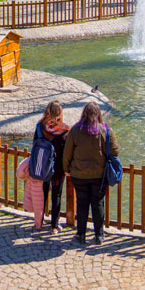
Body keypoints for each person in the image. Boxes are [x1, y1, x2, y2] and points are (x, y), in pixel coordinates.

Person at [62, 102, 119, 246]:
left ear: (84, 114)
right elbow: (115, 151)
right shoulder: (106, 130)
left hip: (79, 175)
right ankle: (99, 235)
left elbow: (67, 153)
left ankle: (80, 235)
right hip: (99, 175)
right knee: (98, 203)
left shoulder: (75, 130)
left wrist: (66, 169)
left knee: (82, 204)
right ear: (99, 113)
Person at [38, 101, 70, 235]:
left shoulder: (40, 126)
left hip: (43, 166)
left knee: (42, 193)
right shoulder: (65, 129)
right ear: (59, 113)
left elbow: (35, 143)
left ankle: (38, 221)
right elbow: (67, 151)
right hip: (57, 167)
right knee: (56, 195)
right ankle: (54, 226)